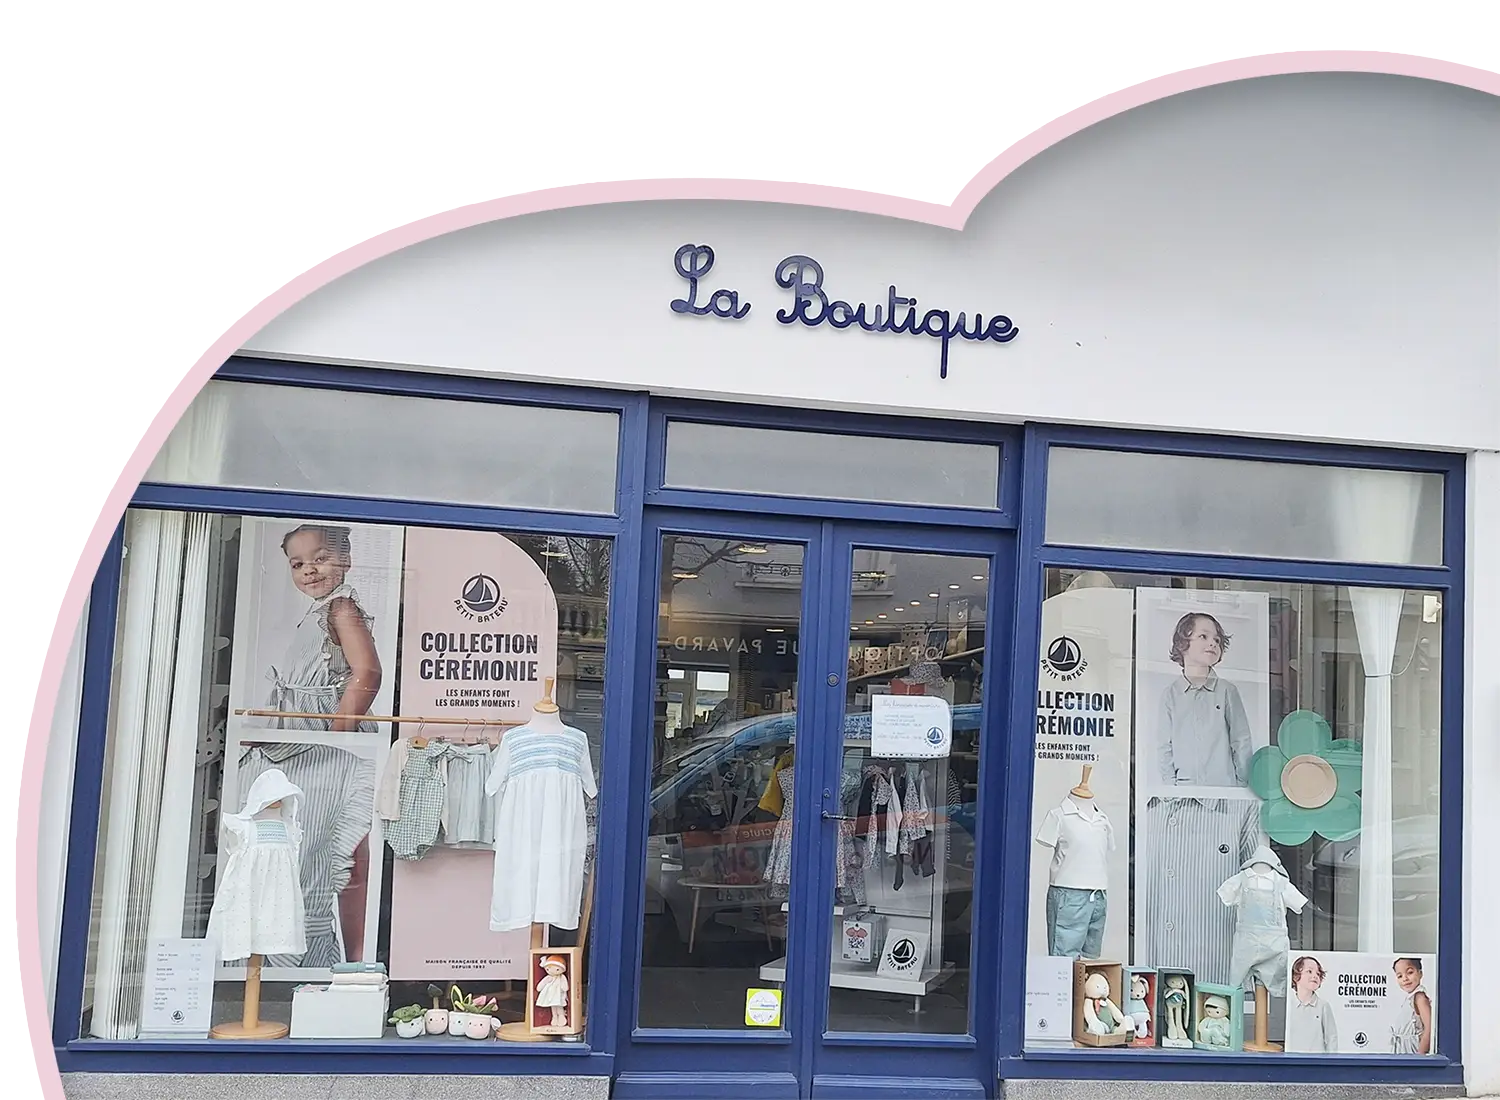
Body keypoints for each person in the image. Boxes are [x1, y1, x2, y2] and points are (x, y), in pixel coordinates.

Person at [265, 524, 382, 733]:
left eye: (320, 559)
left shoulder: (341, 608)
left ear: (345, 560)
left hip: (327, 724)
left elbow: (368, 673)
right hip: (303, 722)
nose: (308, 570)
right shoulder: (318, 611)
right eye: (298, 564)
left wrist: (339, 731)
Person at [1157, 612, 1253, 789]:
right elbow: (1164, 747)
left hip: (1224, 791)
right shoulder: (1170, 695)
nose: (1213, 643)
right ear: (1182, 643)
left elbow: (1241, 741)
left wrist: (1241, 788)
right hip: (1184, 792)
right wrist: (1171, 790)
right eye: (1203, 636)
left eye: (1217, 640)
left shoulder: (1227, 691)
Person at [1284, 955, 1339, 1053]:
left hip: (1318, 1060)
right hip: (1293, 1058)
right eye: (1309, 971)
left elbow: (1331, 1037)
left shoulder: (1323, 1006)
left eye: (1318, 974)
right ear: (1295, 976)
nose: (1315, 976)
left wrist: (1331, 1060)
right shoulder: (1289, 1005)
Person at [1390, 956, 1433, 1054]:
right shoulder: (1409, 998)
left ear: (1420, 973)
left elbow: (1429, 1029)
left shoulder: (1419, 997)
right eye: (1400, 976)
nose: (1405, 979)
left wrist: (1420, 1057)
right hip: (1402, 1050)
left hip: (1413, 1051)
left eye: (1410, 972)